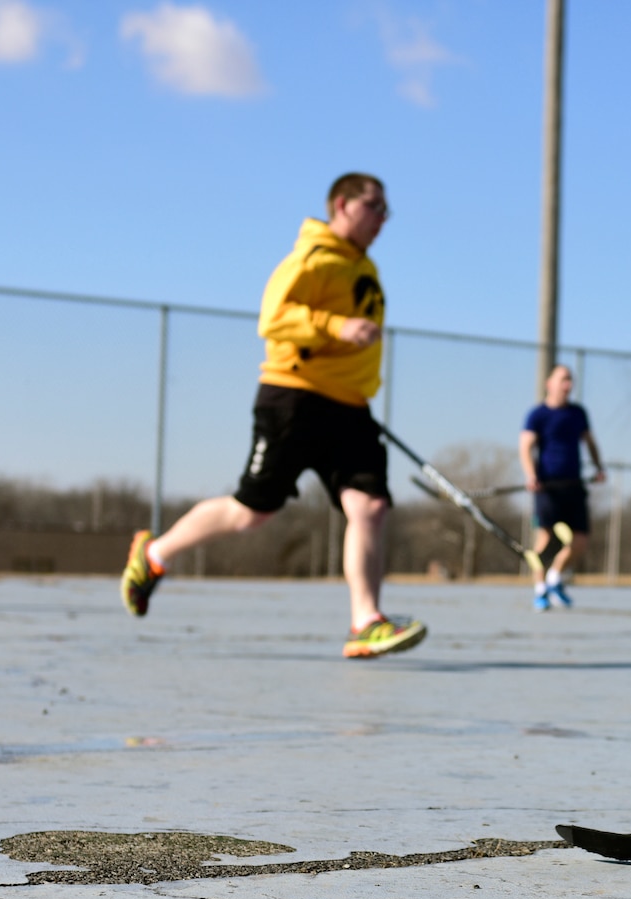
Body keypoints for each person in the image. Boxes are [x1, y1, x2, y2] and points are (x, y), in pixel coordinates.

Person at [120, 174, 425, 658]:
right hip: (294, 400)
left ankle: (365, 622)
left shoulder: (364, 267)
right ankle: (154, 554)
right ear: (342, 205)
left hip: (350, 409)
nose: (382, 220)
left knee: (369, 507)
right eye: (374, 207)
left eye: (388, 211)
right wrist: (336, 326)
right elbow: (273, 317)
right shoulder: (311, 258)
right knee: (251, 513)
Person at [519, 363, 606, 610]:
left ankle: (554, 578)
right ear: (550, 383)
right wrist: (531, 475)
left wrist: (599, 467)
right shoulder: (537, 414)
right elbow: (525, 446)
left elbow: (590, 442)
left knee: (580, 540)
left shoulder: (578, 413)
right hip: (547, 487)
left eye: (570, 380)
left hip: (574, 486)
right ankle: (540, 590)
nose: (568, 385)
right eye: (563, 379)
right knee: (545, 539)